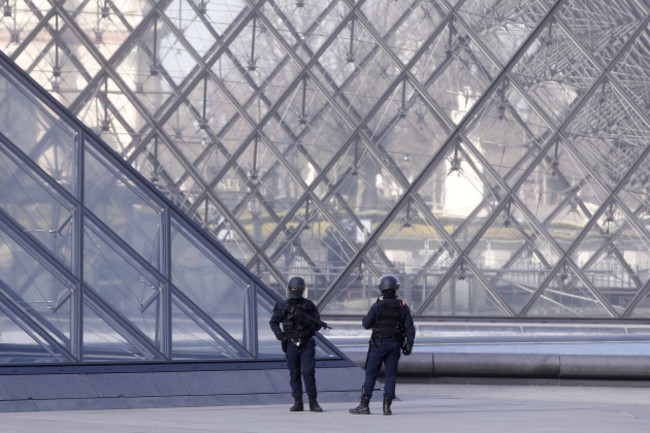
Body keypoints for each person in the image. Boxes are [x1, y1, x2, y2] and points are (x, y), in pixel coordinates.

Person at [349, 274, 415, 416]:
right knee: (391, 375)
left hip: (378, 343)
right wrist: (409, 344)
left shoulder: (378, 305)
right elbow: (410, 327)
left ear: (381, 288)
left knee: (371, 373)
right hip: (395, 343)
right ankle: (387, 407)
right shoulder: (402, 306)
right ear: (396, 288)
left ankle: (364, 405)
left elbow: (366, 324)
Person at [269, 276, 325, 412]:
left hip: (307, 342)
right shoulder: (284, 306)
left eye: (299, 289)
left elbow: (317, 325)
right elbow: (274, 322)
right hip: (291, 343)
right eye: (295, 289)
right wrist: (278, 334)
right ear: (290, 289)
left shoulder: (309, 305)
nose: (297, 291)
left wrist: (306, 321)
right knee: (294, 373)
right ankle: (297, 401)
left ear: (303, 289)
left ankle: (313, 401)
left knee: (308, 372)